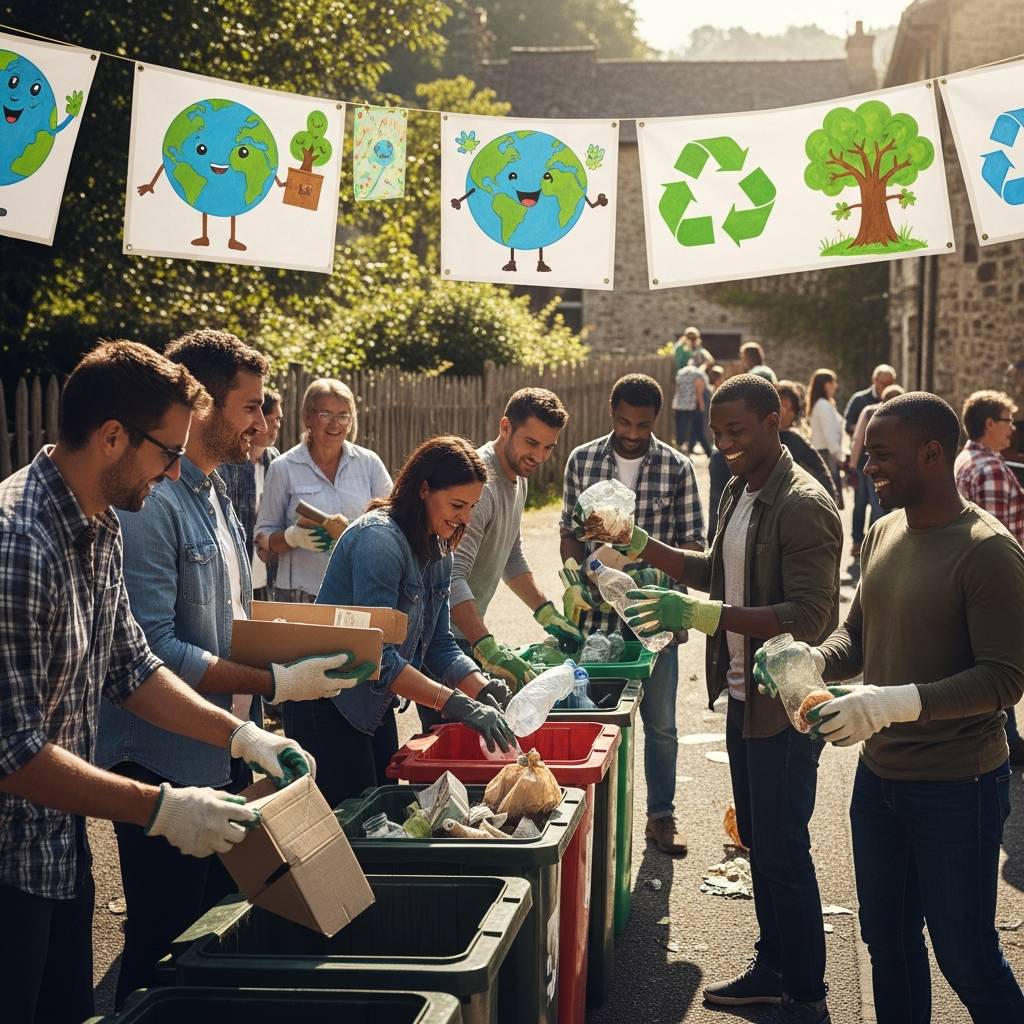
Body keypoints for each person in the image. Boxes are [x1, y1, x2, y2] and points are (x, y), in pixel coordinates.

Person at [0, 340, 314, 1024]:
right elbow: (14, 752)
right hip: (8, 864)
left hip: (58, 847)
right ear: (112, 437)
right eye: (167, 452)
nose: (176, 469)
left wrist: (241, 735)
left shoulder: (104, 522)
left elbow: (133, 665)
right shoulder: (18, 545)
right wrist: (162, 809)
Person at [96, 331, 359, 1006]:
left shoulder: (213, 489)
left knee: (211, 936)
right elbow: (150, 649)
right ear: (202, 402)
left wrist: (291, 662)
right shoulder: (151, 505)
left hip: (217, 750)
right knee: (163, 944)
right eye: (247, 406)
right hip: (162, 762)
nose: (259, 420)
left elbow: (233, 622)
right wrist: (274, 684)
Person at [784, 392, 1024, 1021]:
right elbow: (857, 637)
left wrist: (893, 703)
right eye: (867, 454)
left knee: (967, 955)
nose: (867, 466)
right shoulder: (882, 530)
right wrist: (809, 661)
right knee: (887, 944)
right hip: (880, 781)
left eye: (882, 455)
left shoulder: (987, 550)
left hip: (959, 786)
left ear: (933, 453)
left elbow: (1005, 678)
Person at [615, 373, 842, 1023]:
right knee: (760, 846)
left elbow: (813, 615)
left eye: (736, 430)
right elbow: (717, 567)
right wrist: (644, 547)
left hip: (783, 704)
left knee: (782, 850)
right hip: (744, 698)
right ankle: (774, 968)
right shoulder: (742, 487)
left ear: (777, 420)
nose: (723, 443)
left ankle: (805, 992)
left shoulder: (804, 503)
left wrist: (705, 615)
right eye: (716, 432)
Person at [290, 436, 515, 808]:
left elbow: (439, 643)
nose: (466, 518)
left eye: (472, 507)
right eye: (457, 505)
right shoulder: (378, 541)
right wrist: (455, 702)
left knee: (382, 813)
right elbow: (377, 655)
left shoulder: (440, 546)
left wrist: (480, 687)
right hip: (327, 701)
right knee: (355, 822)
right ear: (423, 489)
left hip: (371, 705)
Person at [560, 373, 705, 856]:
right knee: (595, 718)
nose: (633, 432)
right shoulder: (582, 460)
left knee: (661, 723)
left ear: (656, 420)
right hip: (596, 618)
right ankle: (592, 821)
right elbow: (568, 531)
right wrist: (570, 572)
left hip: (653, 616)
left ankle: (661, 817)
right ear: (610, 411)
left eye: (643, 425)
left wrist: (651, 571)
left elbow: (692, 546)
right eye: (625, 421)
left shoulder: (677, 466)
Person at [443, 389, 577, 729]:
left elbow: (511, 556)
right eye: (531, 443)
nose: (539, 456)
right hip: (441, 640)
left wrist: (547, 613)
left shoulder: (518, 478)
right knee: (455, 748)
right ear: (505, 427)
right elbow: (451, 578)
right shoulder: (481, 485)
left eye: (548, 447)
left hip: (465, 636)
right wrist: (486, 646)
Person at [257, 378, 392, 602]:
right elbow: (263, 539)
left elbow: (391, 521)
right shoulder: (284, 468)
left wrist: (358, 534)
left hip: (356, 590)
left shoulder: (369, 464)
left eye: (343, 415)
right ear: (308, 417)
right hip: (299, 594)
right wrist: (293, 537)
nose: (335, 424)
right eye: (325, 415)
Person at [955, 388, 1024, 766]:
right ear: (989, 424)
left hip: (965, 579)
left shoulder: (964, 459)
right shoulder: (992, 469)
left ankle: (1005, 735)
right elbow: (999, 538)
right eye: (1008, 421)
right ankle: (1005, 739)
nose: (1012, 430)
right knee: (1000, 658)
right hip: (995, 583)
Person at [220, 387, 282, 600]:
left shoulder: (276, 462)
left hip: (265, 570)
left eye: (279, 420)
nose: (275, 426)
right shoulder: (229, 464)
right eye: (272, 419)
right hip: (235, 568)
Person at [843, 364, 896, 567]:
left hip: (880, 463)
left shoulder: (896, 402)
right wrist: (853, 466)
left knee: (877, 502)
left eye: (889, 383)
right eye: (883, 382)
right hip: (864, 460)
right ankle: (858, 541)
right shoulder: (861, 401)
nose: (886, 386)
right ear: (875, 381)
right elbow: (849, 428)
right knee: (860, 503)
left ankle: (872, 543)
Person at [846, 384, 905, 548]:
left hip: (864, 464)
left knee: (861, 504)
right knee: (879, 504)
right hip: (886, 468)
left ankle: (858, 542)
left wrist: (852, 465)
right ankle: (877, 544)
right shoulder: (903, 418)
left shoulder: (870, 412)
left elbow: (857, 440)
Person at [775, 380, 837, 501]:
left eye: (789, 409)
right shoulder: (758, 437)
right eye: (781, 406)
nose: (784, 413)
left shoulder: (794, 439)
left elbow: (822, 474)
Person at [808, 368, 845, 509]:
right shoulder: (823, 405)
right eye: (833, 382)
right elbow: (830, 435)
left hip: (826, 453)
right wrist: (839, 456)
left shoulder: (823, 404)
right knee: (829, 501)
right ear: (826, 385)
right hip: (826, 455)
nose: (836, 386)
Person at [672, 353, 712, 456]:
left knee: (681, 430)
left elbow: (677, 389)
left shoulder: (681, 372)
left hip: (679, 405)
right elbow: (699, 392)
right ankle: (707, 452)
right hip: (693, 406)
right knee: (697, 429)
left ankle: (679, 452)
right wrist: (702, 406)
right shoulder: (698, 374)